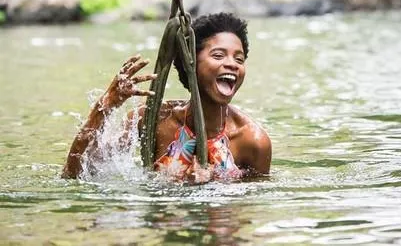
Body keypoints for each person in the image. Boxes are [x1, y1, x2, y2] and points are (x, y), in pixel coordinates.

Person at [62, 12, 271, 183]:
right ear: (190, 64)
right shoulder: (153, 118)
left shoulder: (252, 140)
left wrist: (211, 187)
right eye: (218, 55)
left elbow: (248, 206)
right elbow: (76, 174)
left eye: (239, 58)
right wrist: (105, 105)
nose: (232, 64)